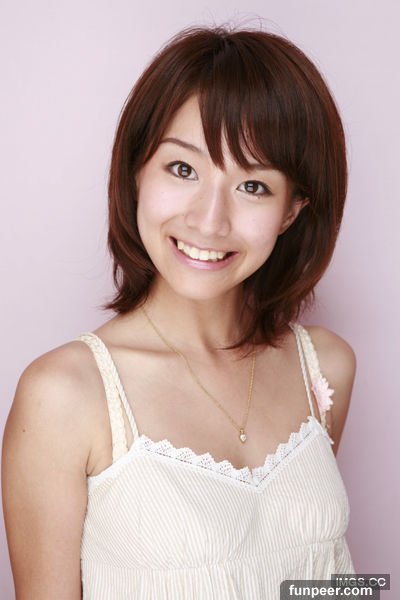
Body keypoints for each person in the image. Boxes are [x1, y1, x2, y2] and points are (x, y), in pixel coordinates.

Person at [2, 25, 356, 599]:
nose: (209, 221)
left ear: (293, 211)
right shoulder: (65, 395)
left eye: (254, 186)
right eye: (183, 169)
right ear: (136, 171)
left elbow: (323, 577)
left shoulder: (325, 366)